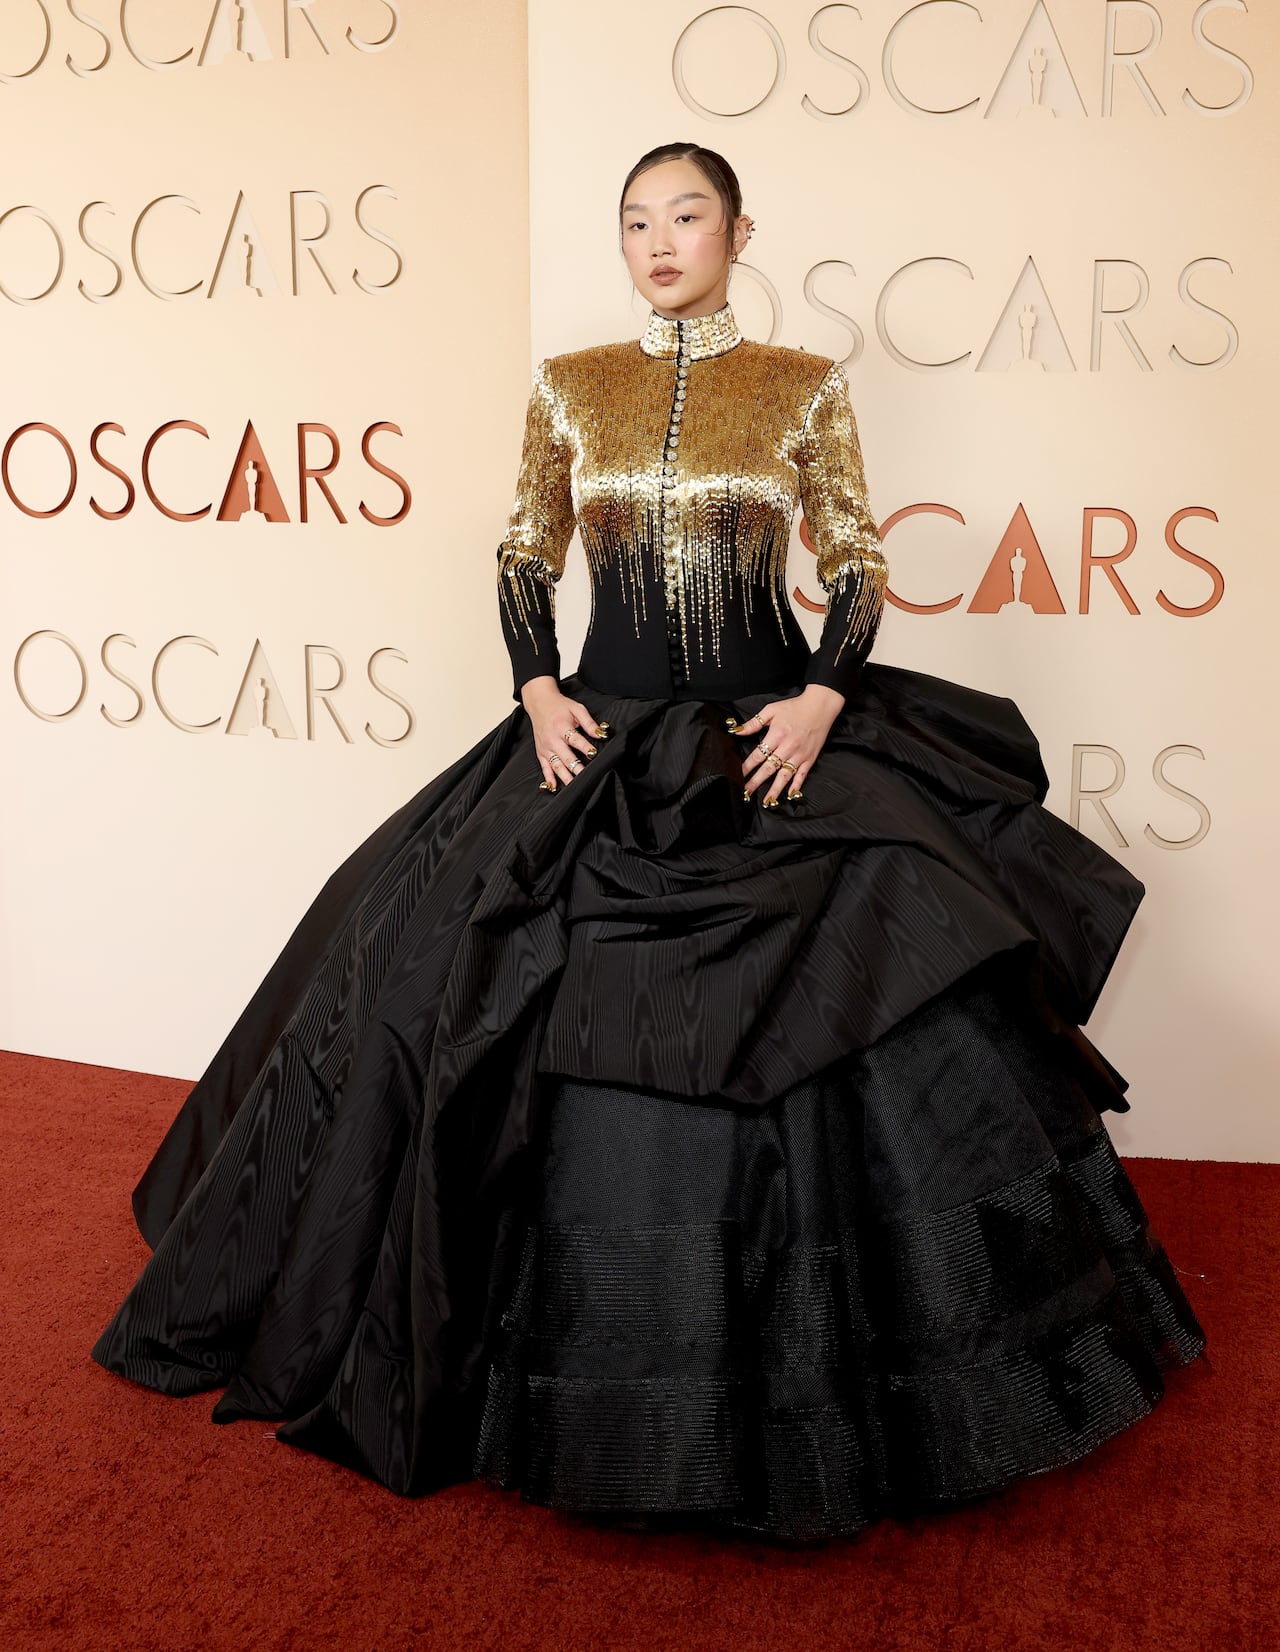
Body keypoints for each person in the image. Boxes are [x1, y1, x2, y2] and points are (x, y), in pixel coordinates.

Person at [91, 142, 1206, 1545]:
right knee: (419, 970)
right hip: (594, 738)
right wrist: (536, 689)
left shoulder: (802, 387)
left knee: (864, 994)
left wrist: (821, 699)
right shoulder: (571, 385)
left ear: (740, 231)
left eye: (687, 215)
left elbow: (858, 562)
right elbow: (523, 550)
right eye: (635, 221)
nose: (660, 240)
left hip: (767, 739)